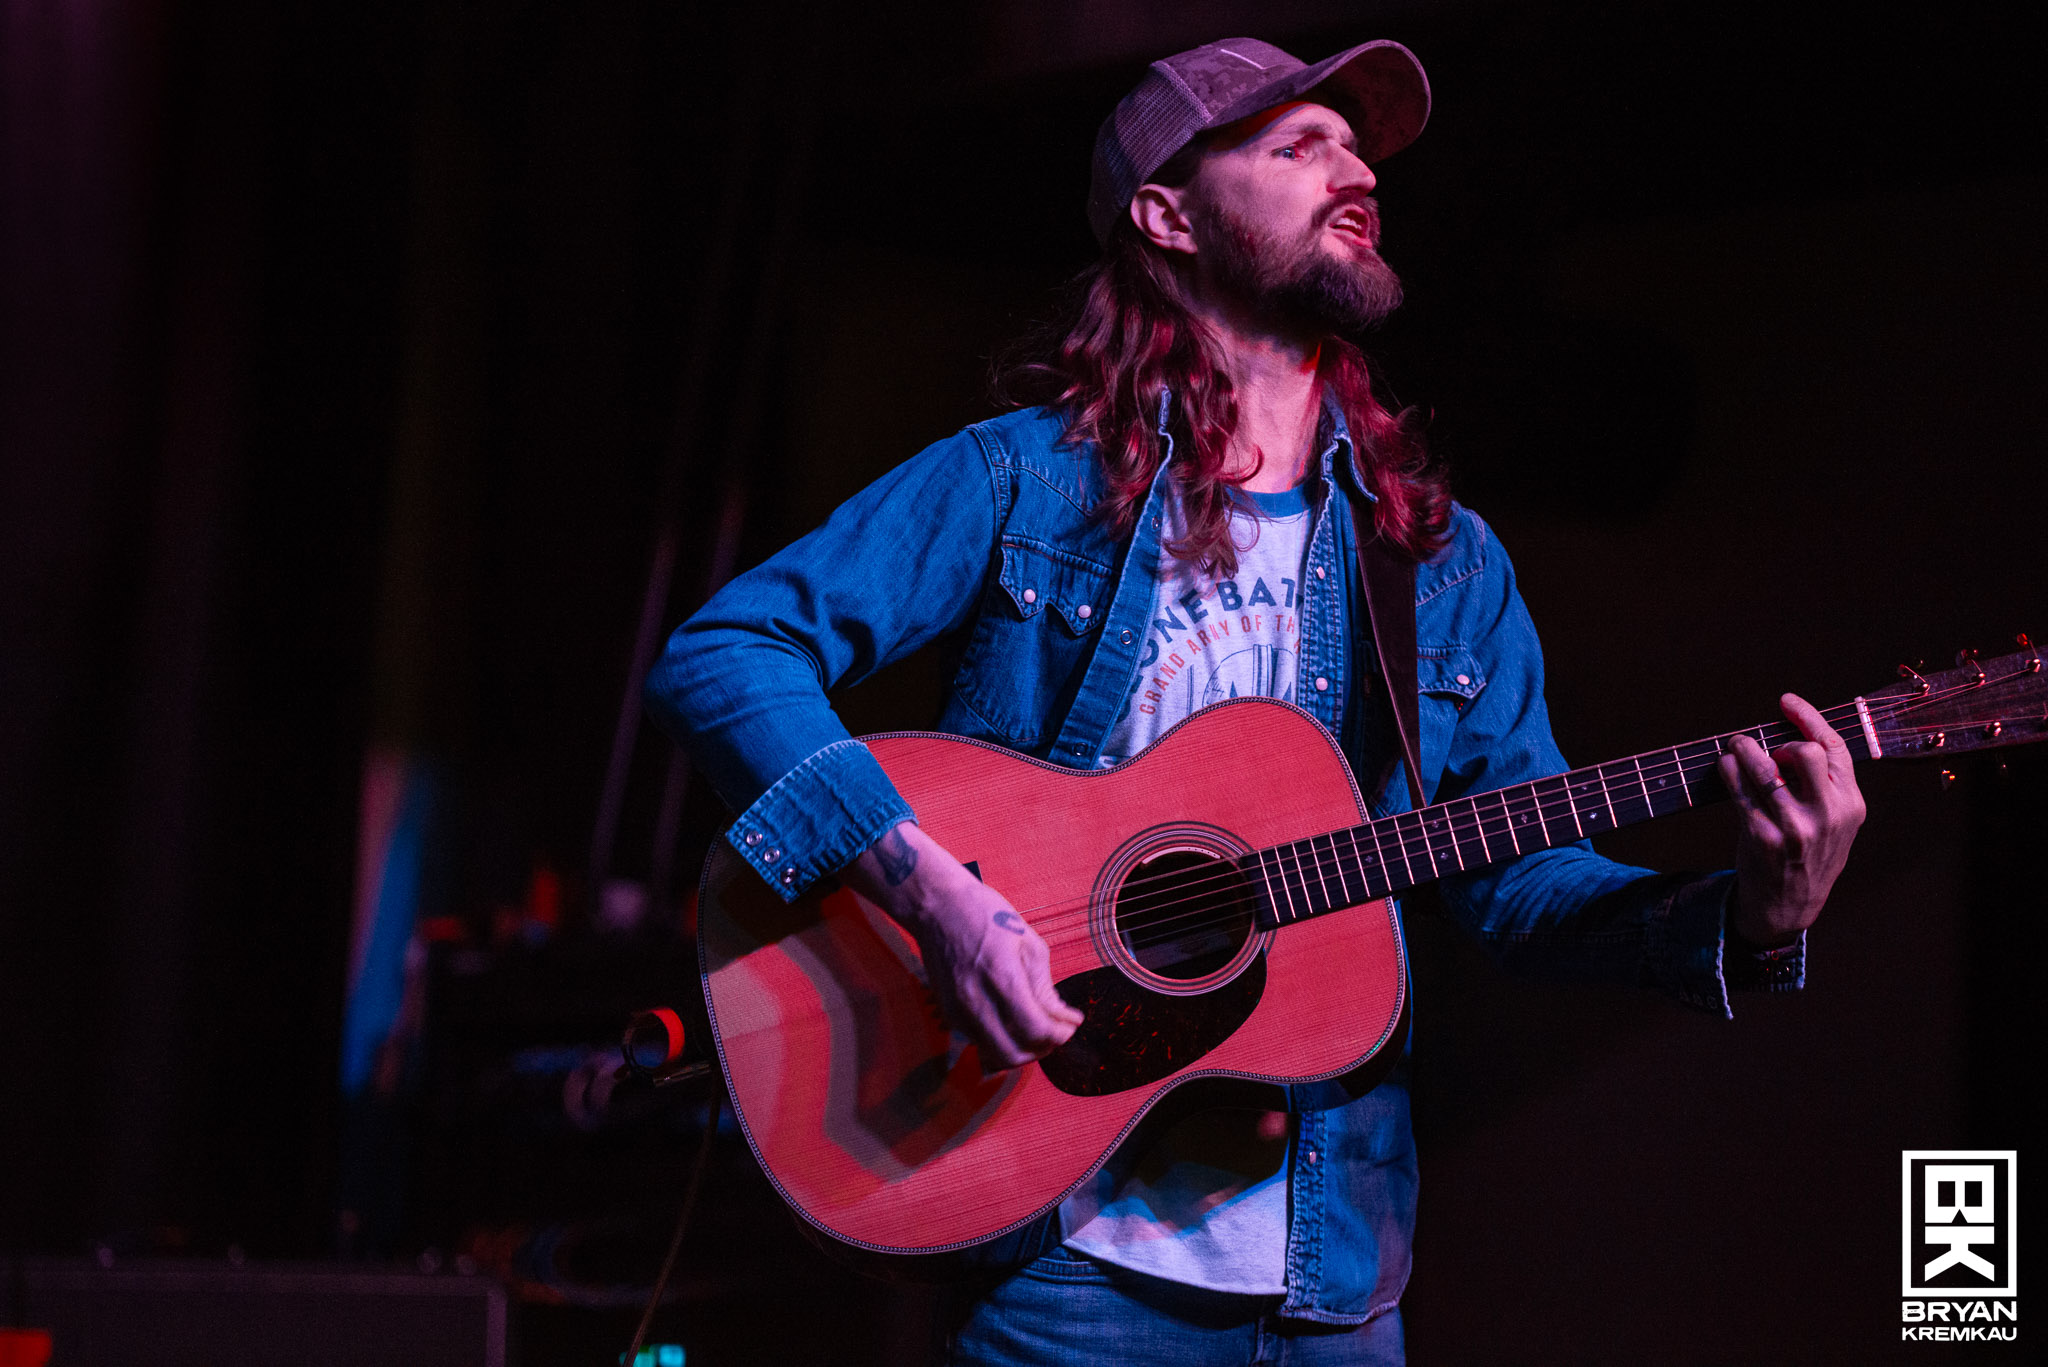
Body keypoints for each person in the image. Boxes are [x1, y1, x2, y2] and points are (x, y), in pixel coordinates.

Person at [644, 35, 1866, 1366]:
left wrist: (1752, 915)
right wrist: (933, 898)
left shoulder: (1437, 560)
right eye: (1297, 146)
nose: (1353, 169)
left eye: (1356, 148)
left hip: (1332, 1284)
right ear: (1168, 217)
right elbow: (725, 655)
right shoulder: (1025, 484)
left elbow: (1517, 887)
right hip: (1065, 1272)